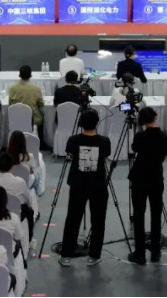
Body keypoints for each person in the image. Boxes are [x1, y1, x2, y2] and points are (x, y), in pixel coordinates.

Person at [59, 109, 111, 266]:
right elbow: (106, 156)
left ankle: (66, 254)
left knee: (73, 219)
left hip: (78, 184)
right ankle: (94, 255)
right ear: (96, 123)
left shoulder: (73, 140)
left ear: (81, 123)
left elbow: (69, 156)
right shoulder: (104, 141)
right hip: (98, 185)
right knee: (98, 221)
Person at [128, 107, 167, 265]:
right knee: (156, 215)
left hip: (139, 177)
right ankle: (155, 251)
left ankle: (139, 253)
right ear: (155, 117)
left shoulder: (140, 136)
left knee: (139, 215)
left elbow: (134, 148)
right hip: (156, 177)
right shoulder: (164, 136)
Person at [0, 152, 37, 240]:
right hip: (17, 215)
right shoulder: (20, 182)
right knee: (29, 210)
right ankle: (29, 238)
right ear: (12, 166)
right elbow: (28, 200)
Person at [8, 65, 45, 141]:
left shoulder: (12, 88)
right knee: (43, 117)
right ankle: (40, 142)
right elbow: (41, 104)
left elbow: (10, 104)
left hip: (16, 118)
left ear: (19, 75)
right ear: (31, 75)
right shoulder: (36, 89)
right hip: (33, 120)